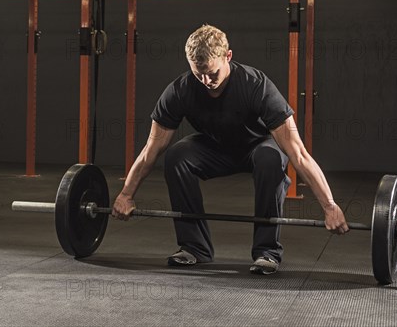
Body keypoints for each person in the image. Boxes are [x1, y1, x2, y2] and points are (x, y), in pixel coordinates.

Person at [112, 24, 349, 275]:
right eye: (198, 74)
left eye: (212, 74)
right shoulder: (179, 90)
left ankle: (266, 252)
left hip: (258, 146)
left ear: (228, 56)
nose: (206, 82)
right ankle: (195, 248)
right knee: (176, 156)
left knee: (270, 158)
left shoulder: (256, 86)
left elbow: (298, 153)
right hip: (215, 148)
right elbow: (151, 149)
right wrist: (126, 194)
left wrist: (330, 206)